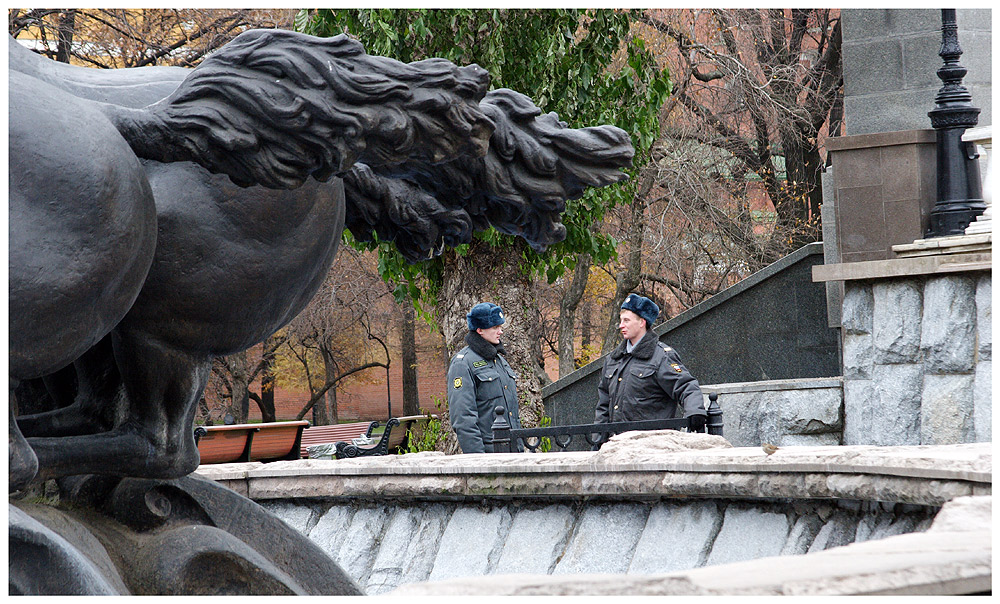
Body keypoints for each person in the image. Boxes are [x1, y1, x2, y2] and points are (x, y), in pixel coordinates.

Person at [595, 293, 708, 434]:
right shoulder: (613, 359)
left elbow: (686, 386)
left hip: (652, 446)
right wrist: (598, 440)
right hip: (617, 446)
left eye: (626, 321)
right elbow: (603, 405)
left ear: (642, 322)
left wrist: (695, 412)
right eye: (621, 321)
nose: (621, 326)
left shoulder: (661, 356)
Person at [447, 302, 523, 453]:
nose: (500, 332)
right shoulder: (462, 363)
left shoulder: (499, 360)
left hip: (513, 451)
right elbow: (463, 419)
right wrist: (479, 461)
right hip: (489, 455)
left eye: (500, 327)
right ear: (480, 330)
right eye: (495, 327)